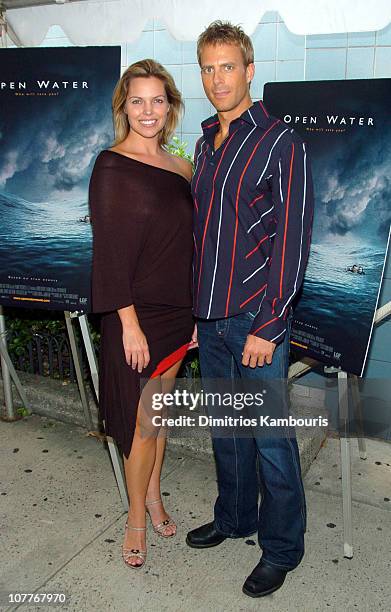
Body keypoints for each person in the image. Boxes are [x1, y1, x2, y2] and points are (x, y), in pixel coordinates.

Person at [186, 21, 314, 598]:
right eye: (208, 68)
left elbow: (292, 242)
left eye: (227, 66)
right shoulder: (204, 141)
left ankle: (282, 547)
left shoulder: (282, 141)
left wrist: (269, 324)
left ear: (250, 70)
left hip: (255, 319)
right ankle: (234, 517)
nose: (217, 79)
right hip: (211, 317)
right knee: (227, 430)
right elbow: (203, 237)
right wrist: (196, 315)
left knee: (270, 439)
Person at [89, 59, 195, 569]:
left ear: (170, 106)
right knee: (141, 423)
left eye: (157, 100)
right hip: (136, 316)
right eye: (138, 101)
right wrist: (128, 323)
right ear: (123, 106)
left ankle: (154, 496)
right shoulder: (111, 165)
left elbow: (188, 247)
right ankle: (135, 518)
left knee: (160, 415)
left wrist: (196, 315)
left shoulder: (182, 168)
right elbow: (108, 250)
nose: (148, 111)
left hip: (177, 313)